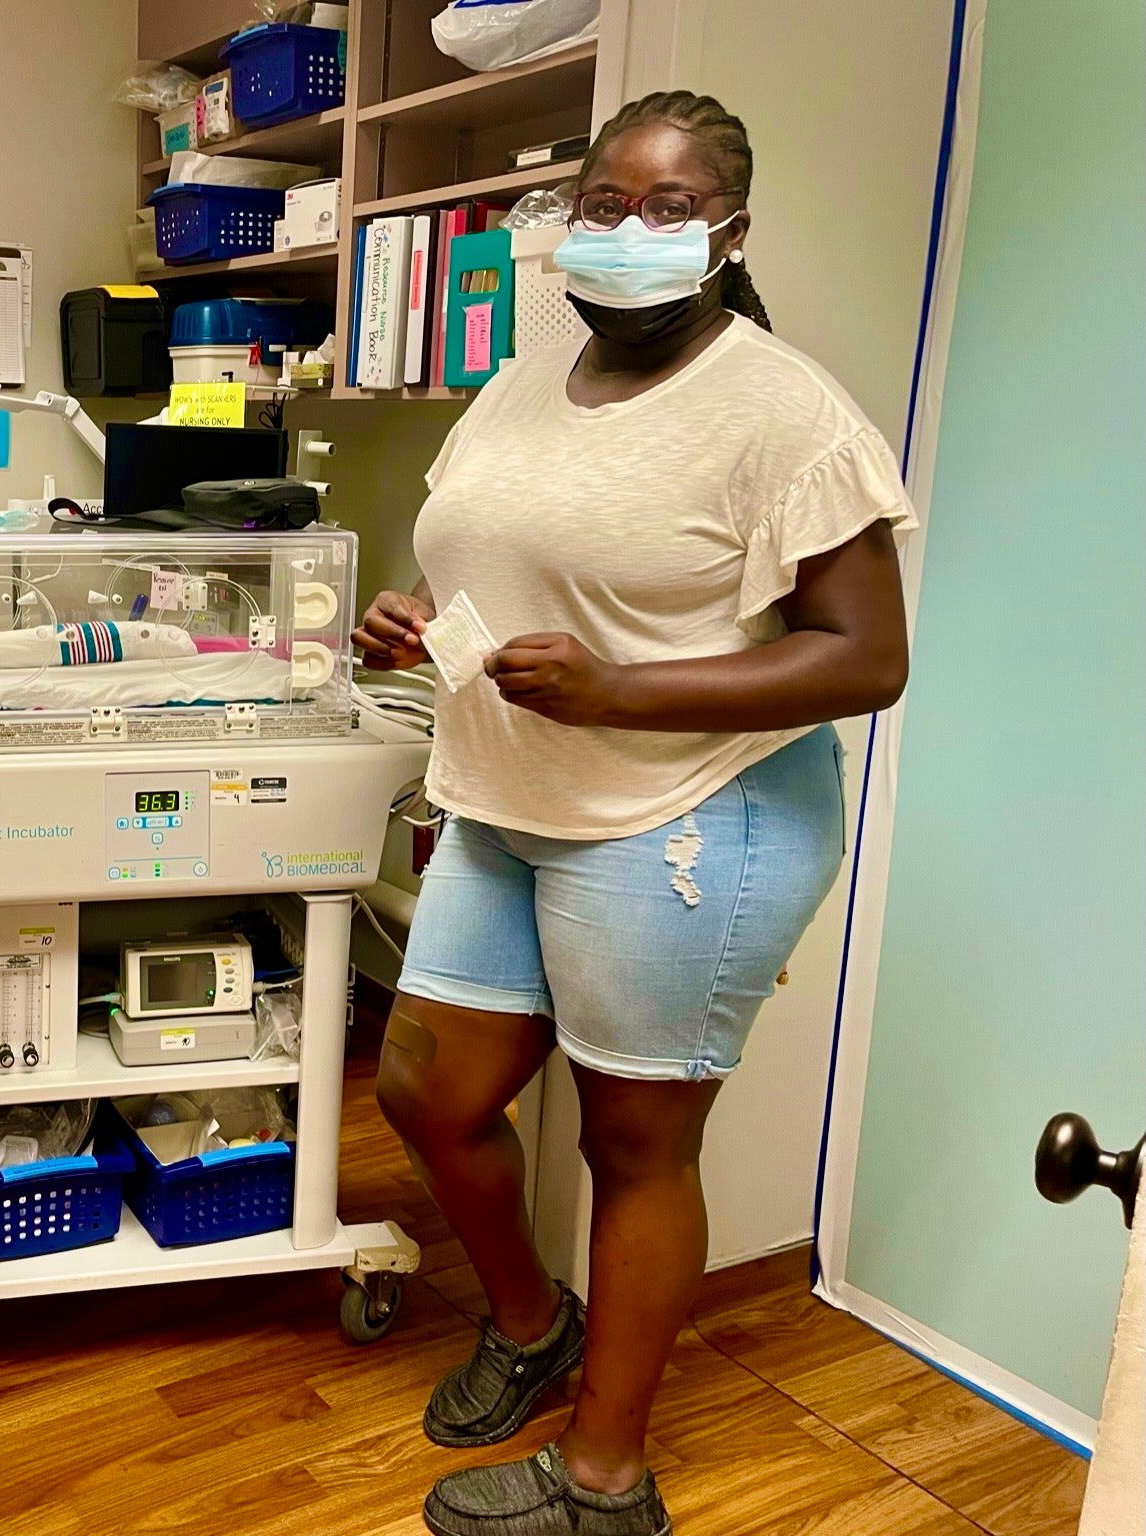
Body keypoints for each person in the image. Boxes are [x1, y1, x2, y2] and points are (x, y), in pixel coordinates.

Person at [353, 93, 917, 1536]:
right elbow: (507, 550)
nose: (629, 230)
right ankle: (533, 1325)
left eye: (670, 208)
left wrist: (616, 691)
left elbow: (864, 656)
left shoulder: (780, 408)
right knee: (430, 1087)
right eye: (603, 201)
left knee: (634, 1145)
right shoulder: (532, 369)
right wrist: (426, 621)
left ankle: (607, 1482)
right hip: (508, 786)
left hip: (685, 810)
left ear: (728, 236)